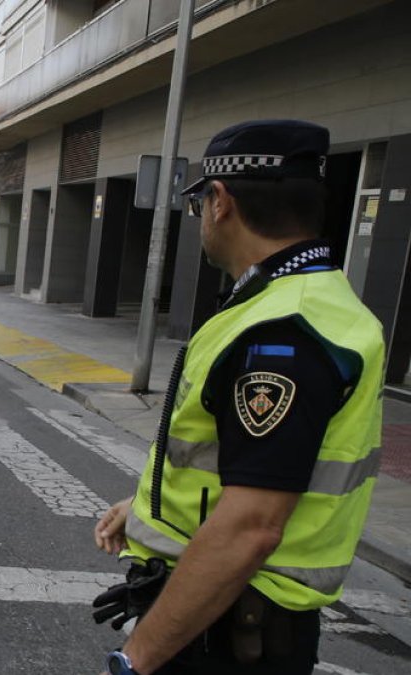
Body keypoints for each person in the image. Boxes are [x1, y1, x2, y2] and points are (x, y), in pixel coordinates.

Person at [91, 120, 385, 675]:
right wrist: (148, 509)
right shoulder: (294, 301)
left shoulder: (284, 330)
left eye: (200, 202)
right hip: (229, 618)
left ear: (220, 201)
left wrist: (137, 659)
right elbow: (243, 464)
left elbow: (252, 524)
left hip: (228, 631)